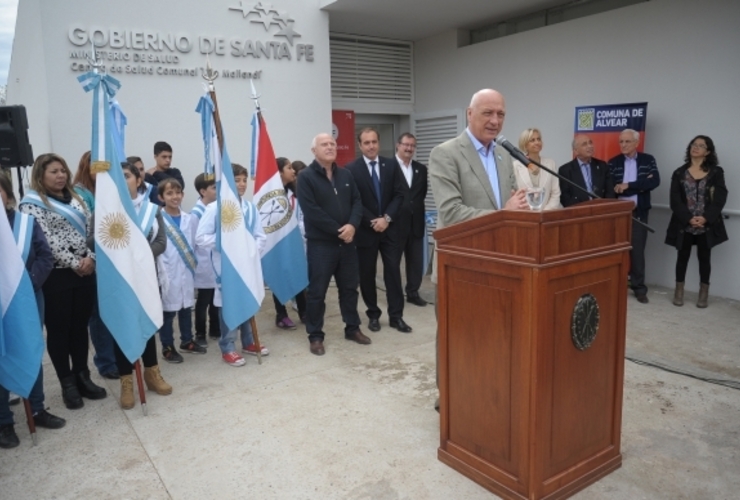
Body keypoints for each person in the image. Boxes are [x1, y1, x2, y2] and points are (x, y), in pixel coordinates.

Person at [429, 89, 528, 411]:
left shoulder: (503, 154)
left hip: (500, 263)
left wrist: (518, 209)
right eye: (487, 113)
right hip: (458, 266)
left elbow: (505, 206)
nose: (495, 121)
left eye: (500, 114)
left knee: (490, 338)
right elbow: (452, 212)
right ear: (469, 114)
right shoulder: (445, 153)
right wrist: (505, 213)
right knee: (455, 338)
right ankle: (450, 397)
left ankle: (484, 391)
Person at [19, 153, 107, 409]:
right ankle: (67, 383)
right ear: (40, 175)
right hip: (57, 275)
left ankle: (82, 376)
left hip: (86, 270)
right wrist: (75, 263)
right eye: (54, 172)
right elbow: (45, 240)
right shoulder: (33, 202)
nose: (60, 176)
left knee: (79, 327)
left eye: (63, 171)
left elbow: (92, 230)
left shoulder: (78, 198)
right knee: (59, 331)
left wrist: (90, 258)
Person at [91, 164, 172, 409]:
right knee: (121, 328)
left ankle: (152, 372)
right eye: (117, 177)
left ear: (139, 180)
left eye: (126, 176)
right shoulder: (104, 211)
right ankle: (126, 380)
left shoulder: (151, 210)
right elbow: (91, 241)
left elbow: (161, 241)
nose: (122, 180)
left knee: (147, 324)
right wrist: (120, 257)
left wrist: (138, 256)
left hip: (146, 278)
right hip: (119, 282)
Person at [0, 175, 66, 449]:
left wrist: (27, 284)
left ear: (7, 192)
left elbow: (45, 256)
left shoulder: (25, 223)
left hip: (29, 298)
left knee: (30, 348)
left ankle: (37, 408)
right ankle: (4, 421)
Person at [297, 133, 366, 355]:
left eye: (332, 144)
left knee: (349, 289)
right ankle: (315, 335)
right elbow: (311, 211)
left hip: (347, 244)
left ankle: (352, 328)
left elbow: (357, 201)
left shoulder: (345, 174)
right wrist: (340, 231)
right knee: (317, 292)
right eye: (324, 144)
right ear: (314, 151)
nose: (330, 147)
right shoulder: (306, 178)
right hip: (321, 246)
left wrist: (353, 226)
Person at [195, 163, 269, 367]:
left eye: (245, 179)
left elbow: (260, 236)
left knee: (247, 300)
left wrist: (250, 250)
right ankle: (227, 346)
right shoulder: (214, 208)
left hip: (247, 265)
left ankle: (249, 341)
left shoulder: (251, 209)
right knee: (228, 305)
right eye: (237, 180)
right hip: (226, 268)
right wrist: (227, 244)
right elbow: (201, 238)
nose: (242, 184)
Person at [346, 128, 411, 333]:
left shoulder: (391, 165)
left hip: (390, 230)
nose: (371, 146)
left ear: (379, 143)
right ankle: (373, 314)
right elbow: (353, 201)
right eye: (366, 143)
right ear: (360, 145)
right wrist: (373, 221)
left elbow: (400, 195)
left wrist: (387, 218)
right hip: (366, 231)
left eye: (374, 141)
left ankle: (396, 316)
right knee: (367, 275)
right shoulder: (351, 170)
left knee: (393, 272)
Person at [665, 135, 728, 308]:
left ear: (707, 152)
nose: (696, 147)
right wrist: (688, 218)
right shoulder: (679, 172)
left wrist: (706, 217)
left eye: (701, 145)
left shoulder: (716, 172)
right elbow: (674, 200)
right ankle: (679, 292)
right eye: (694, 144)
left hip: (706, 224)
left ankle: (703, 294)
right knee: (682, 257)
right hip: (684, 223)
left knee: (704, 258)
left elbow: (720, 197)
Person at [73, 150, 119, 379]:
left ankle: (117, 358)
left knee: (114, 311)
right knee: (99, 316)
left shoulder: (109, 192)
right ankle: (106, 363)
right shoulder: (80, 195)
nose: (99, 172)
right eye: (94, 166)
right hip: (93, 260)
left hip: (112, 260)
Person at [155, 178, 206, 363]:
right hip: (168, 273)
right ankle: (167, 346)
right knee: (168, 313)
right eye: (169, 193)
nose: (174, 197)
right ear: (161, 197)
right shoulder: (157, 219)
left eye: (178, 193)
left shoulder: (189, 219)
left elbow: (194, 243)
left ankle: (187, 340)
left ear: (182, 195)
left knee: (186, 307)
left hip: (186, 271)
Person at [608, 129, 660, 304]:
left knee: (637, 252)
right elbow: (612, 187)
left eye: (627, 142)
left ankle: (639, 288)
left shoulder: (648, 160)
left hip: (639, 213)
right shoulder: (613, 162)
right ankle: (616, 285)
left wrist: (627, 186)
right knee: (616, 252)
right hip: (618, 215)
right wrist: (639, 186)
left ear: (636, 143)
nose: (623, 145)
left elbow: (654, 182)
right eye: (621, 141)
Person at [392, 132, 429, 306]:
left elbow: (421, 195)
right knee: (393, 262)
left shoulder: (421, 169)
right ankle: (395, 294)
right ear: (397, 145)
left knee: (415, 262)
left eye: (412, 146)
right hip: (395, 224)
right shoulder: (388, 167)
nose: (409, 148)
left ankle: (413, 292)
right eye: (406, 145)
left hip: (416, 223)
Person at [271, 157, 306, 328]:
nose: (293, 171)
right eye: (289, 168)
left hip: (296, 241)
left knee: (298, 275)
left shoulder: (295, 192)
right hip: (278, 242)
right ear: (279, 172)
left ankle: (304, 311)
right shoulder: (272, 196)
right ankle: (281, 314)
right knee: (280, 277)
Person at [191, 172, 220, 346]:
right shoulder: (196, 214)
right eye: (213, 188)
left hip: (213, 262)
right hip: (202, 263)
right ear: (203, 191)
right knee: (203, 301)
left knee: (215, 299)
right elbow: (195, 241)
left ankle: (215, 328)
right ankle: (200, 332)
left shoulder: (215, 207)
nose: (217, 191)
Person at [512, 128, 562, 211]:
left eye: (539, 139)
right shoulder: (516, 166)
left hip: (547, 215)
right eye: (532, 140)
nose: (537, 142)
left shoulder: (550, 163)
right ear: (525, 145)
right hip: (525, 215)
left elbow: (555, 193)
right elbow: (514, 195)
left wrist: (544, 213)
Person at [559, 134, 615, 207]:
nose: (590, 146)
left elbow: (610, 192)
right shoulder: (565, 170)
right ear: (576, 151)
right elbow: (565, 198)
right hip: (578, 212)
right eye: (584, 144)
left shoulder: (602, 166)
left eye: (590, 142)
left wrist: (605, 207)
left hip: (601, 210)